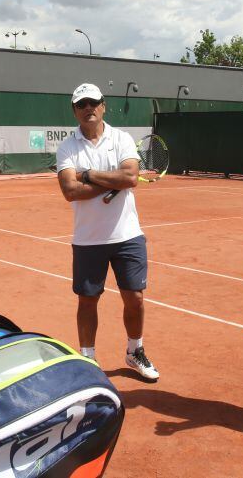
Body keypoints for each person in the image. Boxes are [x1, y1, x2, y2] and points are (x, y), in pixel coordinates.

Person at [56, 83, 158, 381]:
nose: (88, 108)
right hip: (88, 239)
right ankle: (87, 357)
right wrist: (114, 181)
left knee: (135, 298)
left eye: (94, 103)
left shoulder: (122, 138)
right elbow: (70, 190)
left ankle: (134, 351)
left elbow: (130, 176)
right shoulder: (67, 147)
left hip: (127, 235)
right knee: (87, 300)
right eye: (82, 104)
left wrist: (87, 174)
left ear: (103, 106)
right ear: (75, 110)